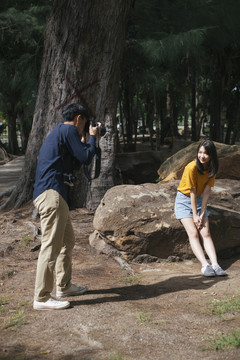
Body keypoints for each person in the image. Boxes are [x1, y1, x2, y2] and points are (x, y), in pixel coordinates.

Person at [33, 102, 98, 310]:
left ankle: (64, 286)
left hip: (54, 194)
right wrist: (93, 138)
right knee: (51, 245)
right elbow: (86, 157)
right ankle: (41, 298)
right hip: (51, 194)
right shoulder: (69, 129)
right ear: (79, 118)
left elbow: (76, 162)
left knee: (67, 241)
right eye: (85, 123)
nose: (85, 127)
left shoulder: (61, 132)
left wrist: (86, 140)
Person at [174, 139, 227, 277]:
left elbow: (207, 191)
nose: (202, 156)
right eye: (200, 152)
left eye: (206, 153)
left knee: (206, 233)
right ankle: (205, 265)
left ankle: (215, 264)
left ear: (211, 155)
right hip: (184, 200)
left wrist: (202, 212)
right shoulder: (191, 167)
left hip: (199, 200)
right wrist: (195, 215)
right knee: (193, 233)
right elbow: (192, 191)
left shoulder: (212, 168)